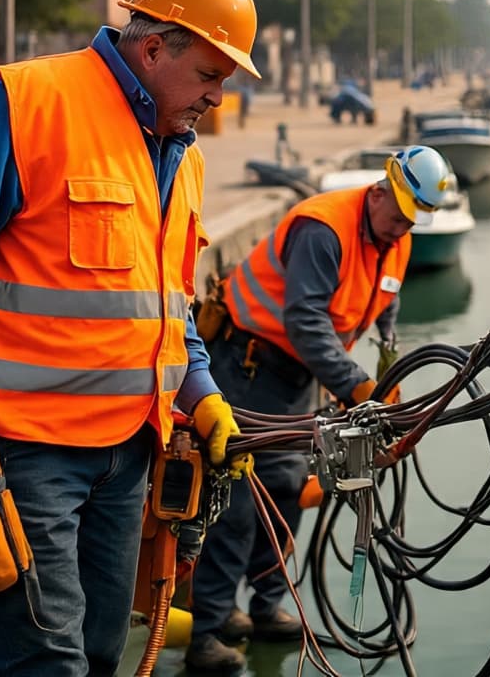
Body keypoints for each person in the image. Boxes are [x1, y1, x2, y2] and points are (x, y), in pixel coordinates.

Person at [0, 0, 261, 676]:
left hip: (129, 456)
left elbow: (168, 307)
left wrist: (202, 399)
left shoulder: (186, 157)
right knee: (45, 663)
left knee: (104, 653)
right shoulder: (24, 102)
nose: (217, 98)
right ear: (152, 48)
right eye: (209, 76)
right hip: (22, 451)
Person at [185, 144, 452, 672]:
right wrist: (358, 386)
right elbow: (306, 322)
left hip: (302, 377)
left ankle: (263, 608)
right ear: (378, 192)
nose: (401, 229)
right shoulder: (322, 229)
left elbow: (387, 298)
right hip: (248, 365)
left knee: (285, 491)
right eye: (397, 215)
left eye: (410, 222)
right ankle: (207, 629)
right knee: (239, 500)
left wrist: (388, 364)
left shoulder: (393, 237)